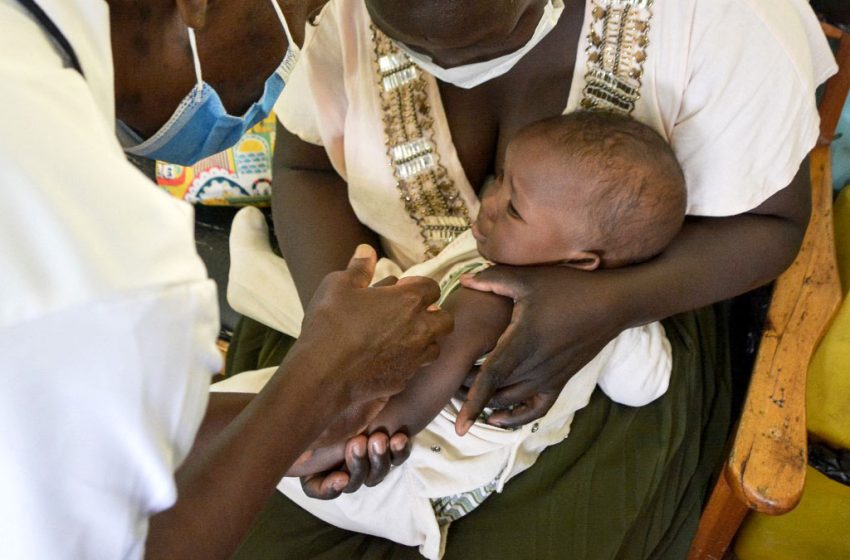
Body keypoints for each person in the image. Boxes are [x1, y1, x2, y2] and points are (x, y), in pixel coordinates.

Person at [223, 0, 838, 558]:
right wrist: (345, 351)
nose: (446, 63)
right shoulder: (326, 9)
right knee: (241, 525)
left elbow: (772, 225)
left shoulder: (724, 21)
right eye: (405, 35)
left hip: (629, 312)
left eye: (488, 35)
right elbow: (305, 166)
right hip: (351, 286)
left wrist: (604, 305)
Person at [0, 1, 453, 559]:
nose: (300, 48)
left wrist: (291, 423)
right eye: (306, 14)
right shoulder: (119, 261)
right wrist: (320, 381)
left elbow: (55, 424)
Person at [270, 111, 686, 559]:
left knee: (237, 429)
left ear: (583, 261)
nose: (488, 201)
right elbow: (643, 386)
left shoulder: (499, 300)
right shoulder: (598, 311)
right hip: (447, 475)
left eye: (513, 208)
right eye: (501, 179)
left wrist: (335, 443)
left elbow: (421, 392)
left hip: (409, 478)